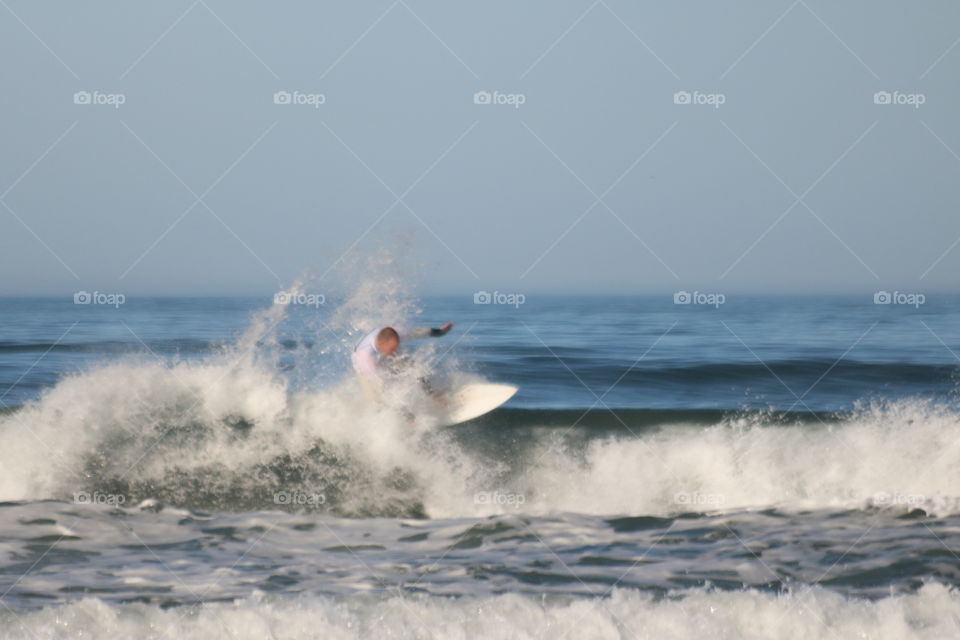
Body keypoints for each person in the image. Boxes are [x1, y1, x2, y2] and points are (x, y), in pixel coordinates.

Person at [352, 322, 453, 399]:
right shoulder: (365, 358)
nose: (395, 352)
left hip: (380, 351)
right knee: (377, 397)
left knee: (414, 367)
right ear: (381, 345)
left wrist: (440, 332)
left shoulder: (398, 333)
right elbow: (384, 388)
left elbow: (418, 332)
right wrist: (408, 416)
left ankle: (432, 395)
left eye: (396, 347)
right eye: (392, 349)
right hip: (363, 367)